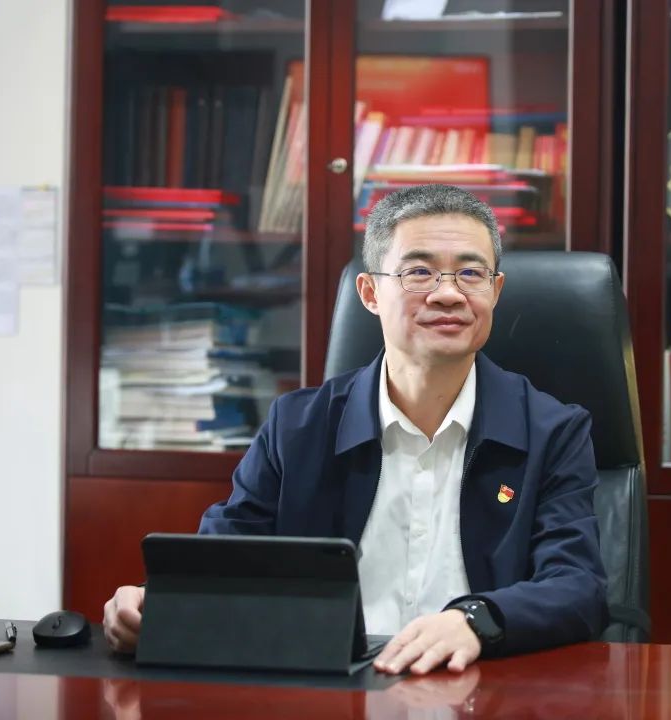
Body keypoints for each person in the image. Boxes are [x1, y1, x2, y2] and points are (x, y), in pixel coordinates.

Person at [103, 184, 608, 674]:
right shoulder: (298, 427)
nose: (448, 294)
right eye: (419, 272)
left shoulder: (551, 432)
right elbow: (221, 560)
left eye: (471, 274)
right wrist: (153, 602)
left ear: (494, 292)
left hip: (482, 683)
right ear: (370, 293)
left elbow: (577, 586)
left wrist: (476, 621)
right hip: (328, 688)